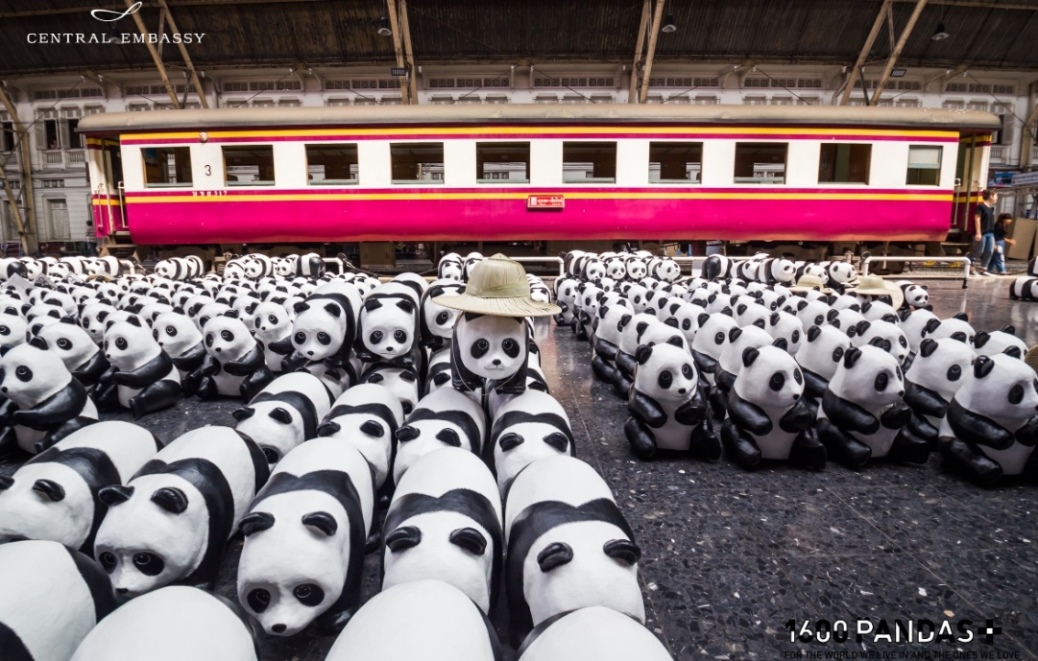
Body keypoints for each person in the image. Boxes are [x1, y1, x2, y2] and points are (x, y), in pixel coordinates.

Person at [970, 189, 997, 275]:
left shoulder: (991, 209)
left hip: (990, 233)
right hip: (982, 232)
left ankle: (984, 269)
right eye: (995, 196)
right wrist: (978, 232)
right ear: (991, 196)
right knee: (979, 251)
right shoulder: (980, 207)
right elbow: (977, 219)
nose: (996, 198)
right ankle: (971, 268)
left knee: (989, 251)